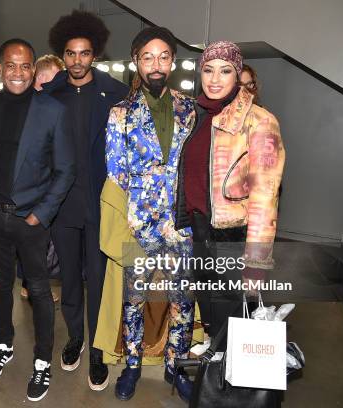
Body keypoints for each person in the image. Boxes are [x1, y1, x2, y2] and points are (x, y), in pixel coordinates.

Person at [96, 27, 196, 402]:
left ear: (172, 61)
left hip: (182, 226)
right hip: (138, 225)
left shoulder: (190, 108)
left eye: (164, 56)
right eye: (148, 57)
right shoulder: (119, 114)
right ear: (136, 61)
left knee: (182, 300)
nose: (156, 65)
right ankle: (133, 364)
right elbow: (116, 174)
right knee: (134, 300)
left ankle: (178, 365)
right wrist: (127, 225)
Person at [0, 38, 74, 402]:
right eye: (10, 65)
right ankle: (4, 344)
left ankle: (41, 362)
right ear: (0, 68)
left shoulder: (51, 110)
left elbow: (66, 170)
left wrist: (41, 214)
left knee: (37, 291)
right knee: (0, 286)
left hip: (30, 219)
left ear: (32, 69)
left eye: (24, 66)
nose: (17, 72)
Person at [174, 41, 285, 347]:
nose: (214, 78)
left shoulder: (260, 121)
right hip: (198, 228)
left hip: (233, 235)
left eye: (225, 71)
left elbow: (266, 199)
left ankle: (227, 385)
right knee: (209, 309)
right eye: (208, 70)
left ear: (238, 75)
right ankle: (216, 361)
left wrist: (256, 262)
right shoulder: (197, 114)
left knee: (232, 315)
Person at [43, 10, 128, 391]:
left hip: (101, 205)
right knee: (70, 282)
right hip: (62, 206)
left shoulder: (115, 93)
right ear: (64, 56)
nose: (78, 60)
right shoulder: (50, 96)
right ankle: (75, 337)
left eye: (85, 53)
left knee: (98, 280)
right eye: (71, 53)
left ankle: (97, 349)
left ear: (95, 54)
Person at [0, 55, 65, 303]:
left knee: (37, 246)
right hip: (8, 196)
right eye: (52, 79)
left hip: (39, 191)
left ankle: (31, 284)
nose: (56, 85)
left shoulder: (49, 109)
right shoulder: (3, 107)